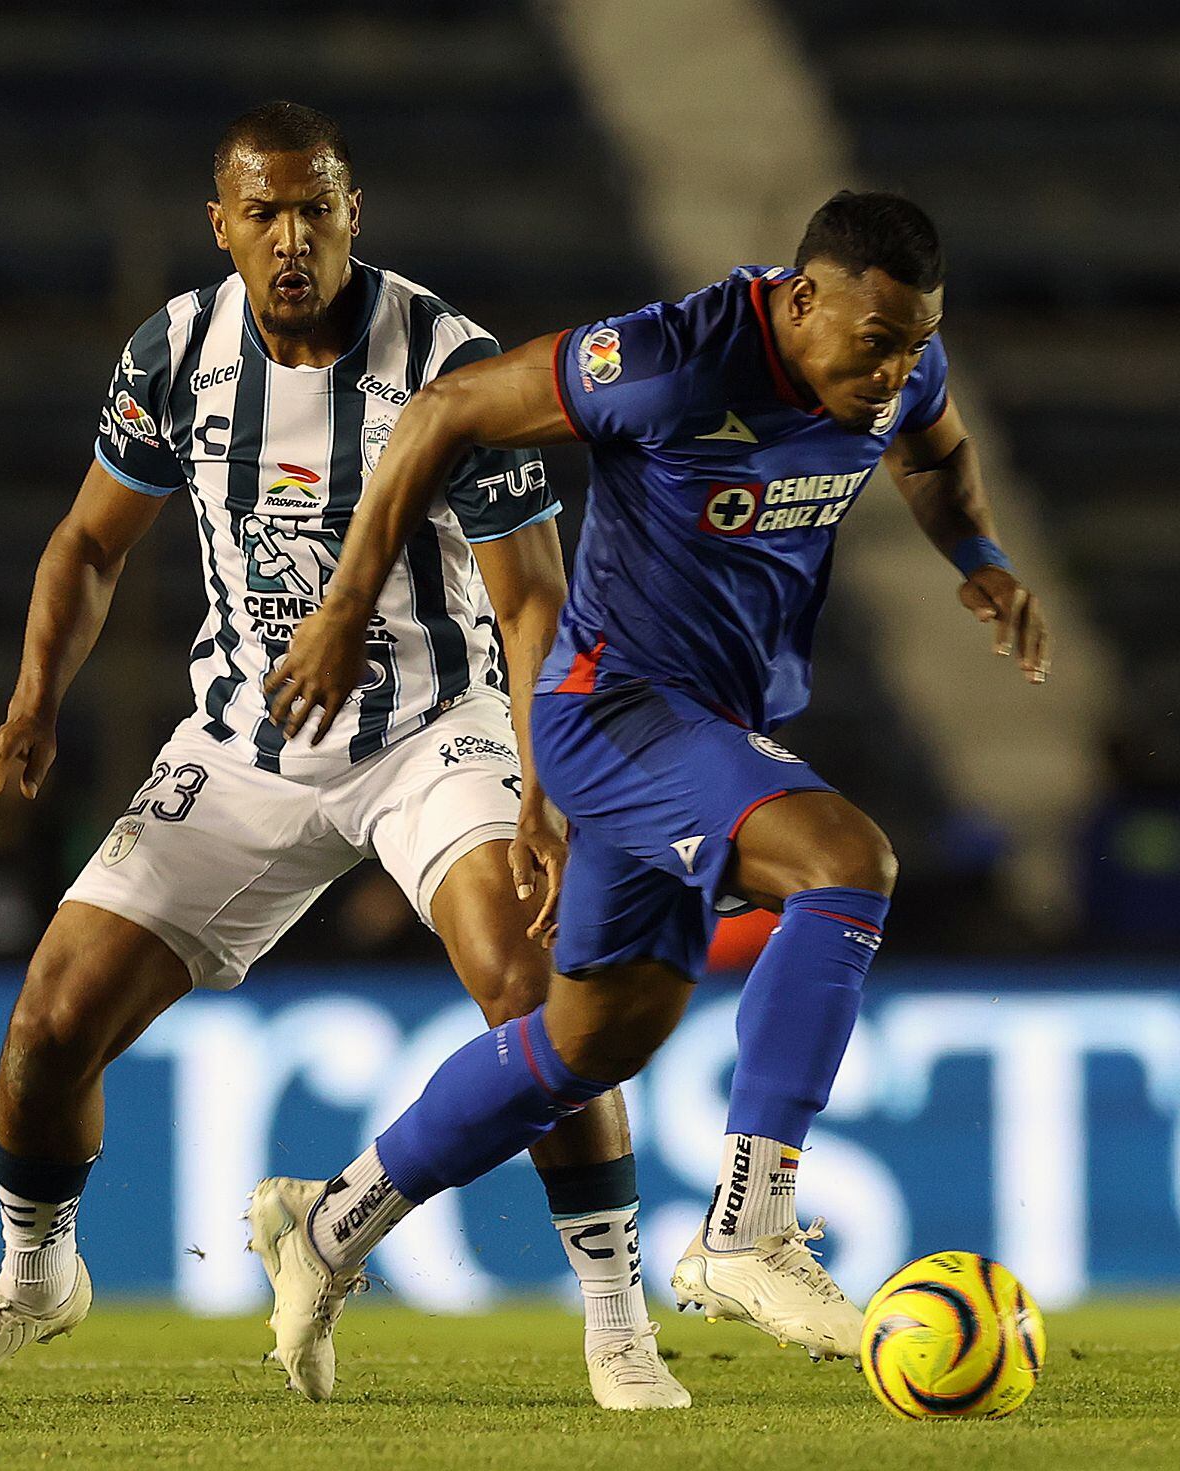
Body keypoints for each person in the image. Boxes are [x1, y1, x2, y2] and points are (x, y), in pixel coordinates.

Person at [0, 102, 686, 1411]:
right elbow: (90, 543)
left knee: (533, 985)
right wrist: (32, 702)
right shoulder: (173, 350)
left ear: (353, 214)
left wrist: (546, 786)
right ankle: (36, 1276)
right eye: (264, 211)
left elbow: (532, 599)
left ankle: (615, 1320)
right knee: (47, 1025)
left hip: (433, 729)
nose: (292, 235)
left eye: (316, 207)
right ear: (224, 226)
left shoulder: (445, 360)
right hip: (244, 742)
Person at [254, 191, 1051, 1392]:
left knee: (588, 1041)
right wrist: (344, 606)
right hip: (609, 710)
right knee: (845, 862)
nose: (895, 370)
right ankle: (749, 1229)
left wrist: (980, 560)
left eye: (915, 341)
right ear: (800, 301)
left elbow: (935, 455)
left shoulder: (905, 367)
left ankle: (326, 1226)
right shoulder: (672, 360)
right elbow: (447, 409)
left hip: (710, 728)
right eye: (874, 340)